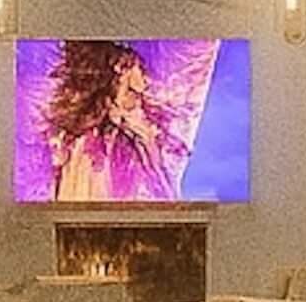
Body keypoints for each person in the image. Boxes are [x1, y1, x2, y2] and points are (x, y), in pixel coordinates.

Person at [38, 38, 194, 201]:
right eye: (140, 68)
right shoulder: (89, 141)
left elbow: (165, 192)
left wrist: (147, 141)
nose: (146, 80)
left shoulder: (127, 130)